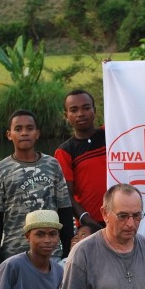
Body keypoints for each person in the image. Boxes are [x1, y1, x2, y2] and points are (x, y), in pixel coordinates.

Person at [0, 109, 75, 275]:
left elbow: (64, 209)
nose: (24, 133)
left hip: (52, 255)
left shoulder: (52, 165)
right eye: (18, 129)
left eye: (29, 128)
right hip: (14, 255)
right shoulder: (0, 170)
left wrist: (67, 253)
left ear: (37, 133)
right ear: (9, 134)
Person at [54, 89, 107, 232]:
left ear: (94, 110)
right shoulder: (65, 151)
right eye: (74, 110)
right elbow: (66, 194)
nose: (80, 114)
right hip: (90, 225)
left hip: (123, 219)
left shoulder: (111, 135)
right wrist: (87, 220)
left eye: (86, 108)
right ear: (66, 115)